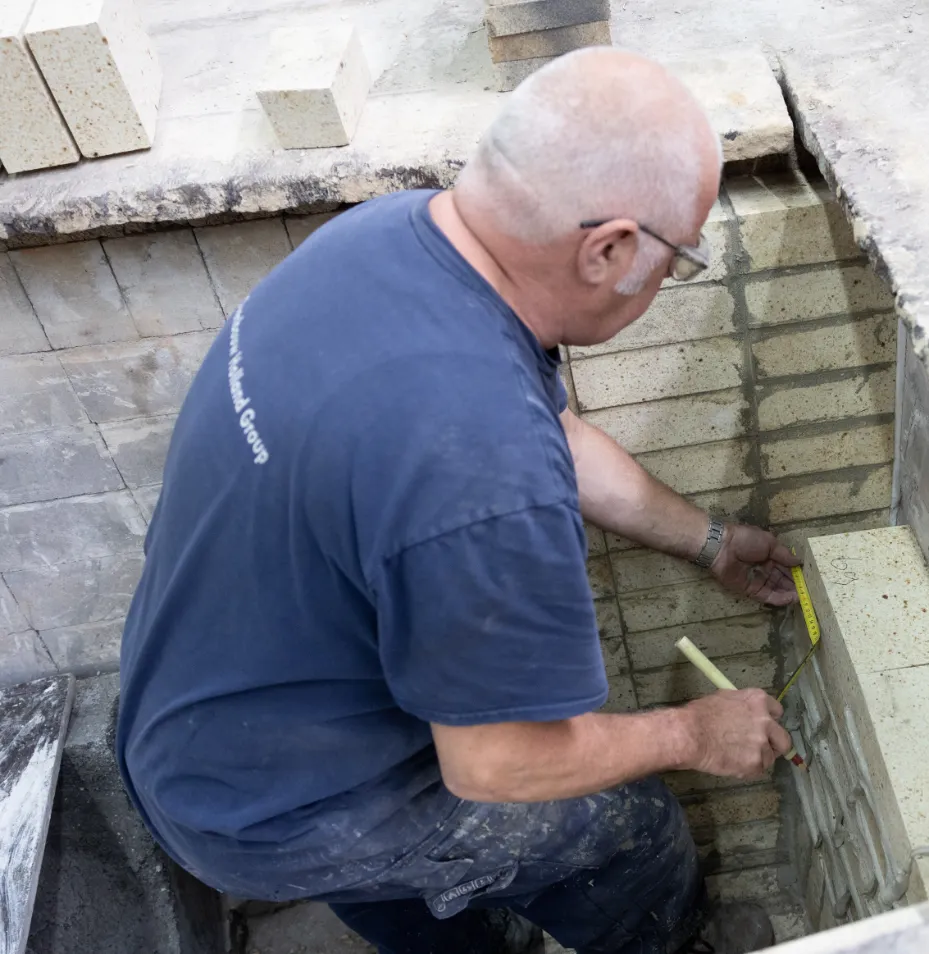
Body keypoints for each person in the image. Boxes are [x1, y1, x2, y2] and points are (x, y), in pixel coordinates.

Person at [116, 48, 800, 954]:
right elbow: (496, 762)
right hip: (289, 811)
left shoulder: (393, 239)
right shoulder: (478, 460)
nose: (667, 283)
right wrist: (694, 732)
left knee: (419, 890)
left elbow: (549, 434)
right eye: (677, 261)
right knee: (630, 832)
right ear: (610, 250)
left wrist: (708, 539)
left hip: (194, 738)